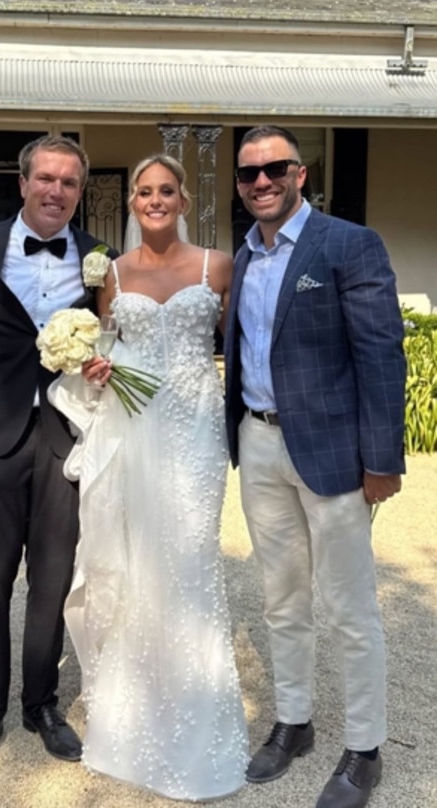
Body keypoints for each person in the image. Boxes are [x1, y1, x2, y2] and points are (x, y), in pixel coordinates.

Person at [51, 154, 249, 801]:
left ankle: (197, 714)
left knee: (190, 566)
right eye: (144, 191)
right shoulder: (111, 273)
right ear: (132, 202)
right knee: (137, 565)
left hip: (194, 437)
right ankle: (135, 713)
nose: (155, 200)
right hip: (134, 433)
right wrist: (96, 367)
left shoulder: (217, 266)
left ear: (184, 200)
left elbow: (245, 346)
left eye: (167, 190)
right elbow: (107, 350)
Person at [224, 125, 406, 808]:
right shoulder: (243, 256)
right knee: (281, 600)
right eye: (248, 174)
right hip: (260, 445)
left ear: (302, 173)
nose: (261, 182)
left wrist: (382, 461)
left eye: (274, 169)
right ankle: (294, 722)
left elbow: (382, 355)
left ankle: (364, 748)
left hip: (334, 456)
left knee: (350, 606)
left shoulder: (348, 244)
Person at [0, 134, 115, 785]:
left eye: (69, 182)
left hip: (66, 437)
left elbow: (111, 334)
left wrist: (103, 367)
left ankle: (40, 704)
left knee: (52, 579)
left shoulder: (99, 257)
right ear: (22, 183)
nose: (56, 191)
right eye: (45, 178)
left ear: (79, 190)